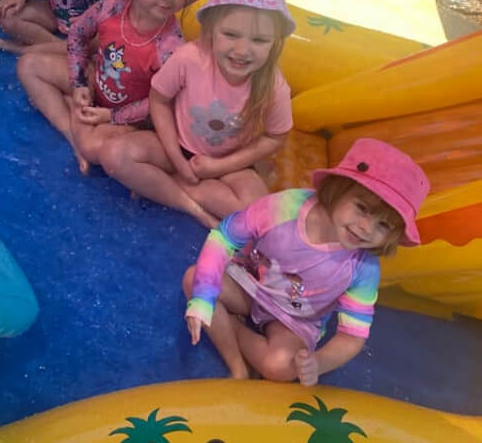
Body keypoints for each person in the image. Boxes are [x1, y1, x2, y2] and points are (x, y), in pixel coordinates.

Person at [182, 138, 430, 386]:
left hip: (294, 321)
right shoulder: (283, 208)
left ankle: (236, 332)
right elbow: (224, 237)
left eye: (383, 225)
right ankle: (238, 367)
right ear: (338, 189)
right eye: (362, 208)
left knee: (281, 366)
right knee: (195, 280)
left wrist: (318, 363)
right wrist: (204, 298)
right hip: (250, 286)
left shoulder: (364, 267)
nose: (366, 228)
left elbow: (352, 336)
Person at [101, 0, 295, 227]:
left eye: (259, 40)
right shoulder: (190, 58)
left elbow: (275, 137)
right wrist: (175, 158)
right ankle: (191, 203)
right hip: (175, 147)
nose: (242, 51)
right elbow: (159, 100)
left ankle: (165, 187)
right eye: (230, 34)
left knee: (261, 215)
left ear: (276, 42)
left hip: (230, 165)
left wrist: (220, 167)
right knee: (114, 154)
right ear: (211, 29)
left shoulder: (273, 86)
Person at [16, 0, 210, 175]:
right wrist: (78, 84)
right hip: (96, 83)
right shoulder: (111, 8)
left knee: (94, 148)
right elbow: (76, 35)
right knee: (29, 65)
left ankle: (79, 125)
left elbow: (160, 102)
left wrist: (112, 117)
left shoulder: (171, 47)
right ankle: (69, 129)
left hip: (129, 117)